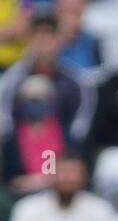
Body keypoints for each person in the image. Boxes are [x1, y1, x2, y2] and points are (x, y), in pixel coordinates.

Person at [0, 11, 93, 149]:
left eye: (49, 33)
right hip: (19, 156)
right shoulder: (11, 79)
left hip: (62, 156)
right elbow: (5, 125)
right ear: (28, 39)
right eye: (37, 33)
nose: (43, 39)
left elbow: (80, 129)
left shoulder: (76, 81)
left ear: (60, 39)